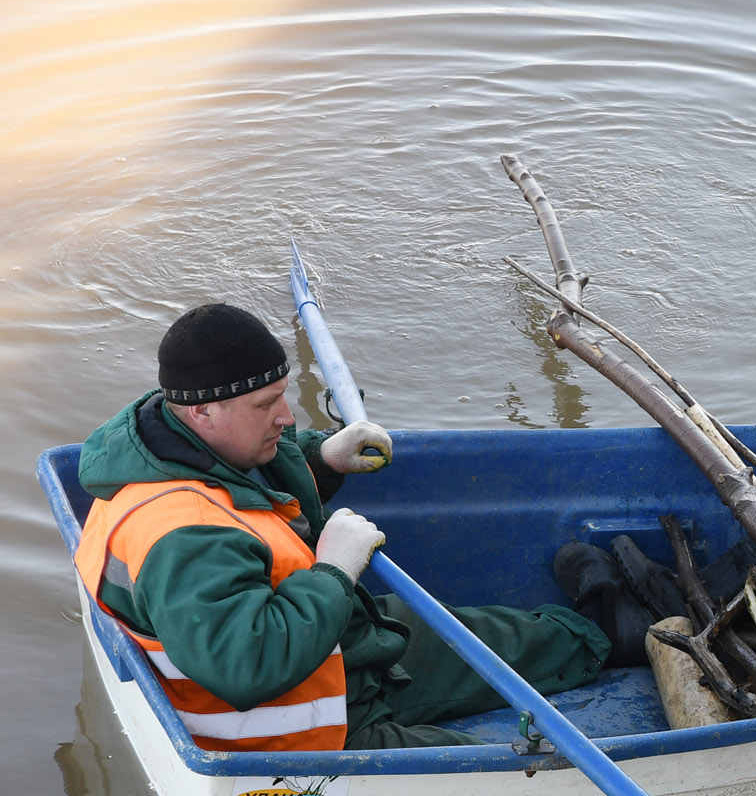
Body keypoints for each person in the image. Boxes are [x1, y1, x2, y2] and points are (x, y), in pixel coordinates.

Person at [72, 302, 610, 750]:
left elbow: (247, 487)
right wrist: (334, 570)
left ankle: (618, 628)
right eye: (266, 404)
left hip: (335, 652)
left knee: (510, 639)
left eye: (284, 393)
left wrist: (320, 459)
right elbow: (248, 665)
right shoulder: (184, 536)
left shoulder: (170, 447)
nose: (285, 416)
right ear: (203, 413)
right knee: (521, 767)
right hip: (314, 729)